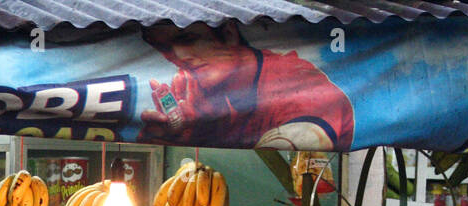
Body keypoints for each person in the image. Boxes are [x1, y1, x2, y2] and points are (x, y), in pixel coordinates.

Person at [140, 23, 355, 151]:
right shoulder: (189, 90)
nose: (180, 56)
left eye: (189, 39)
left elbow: (307, 133)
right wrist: (180, 136)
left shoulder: (295, 81)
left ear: (229, 33)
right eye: (165, 48)